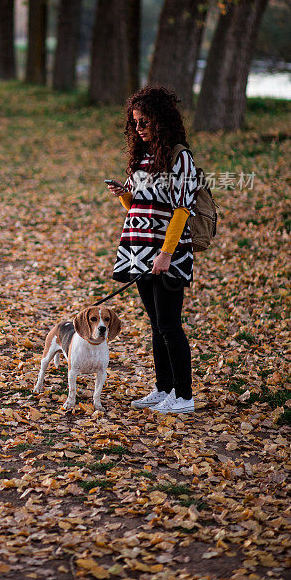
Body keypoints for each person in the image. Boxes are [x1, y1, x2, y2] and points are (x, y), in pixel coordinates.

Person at [110, 86, 198, 414]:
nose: (139, 128)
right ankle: (164, 389)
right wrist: (123, 194)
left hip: (167, 253)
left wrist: (166, 253)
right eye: (134, 123)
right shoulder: (142, 157)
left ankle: (184, 396)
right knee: (156, 323)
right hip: (137, 248)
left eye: (144, 121)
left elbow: (181, 209)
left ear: (161, 120)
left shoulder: (179, 156)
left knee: (169, 324)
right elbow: (138, 205)